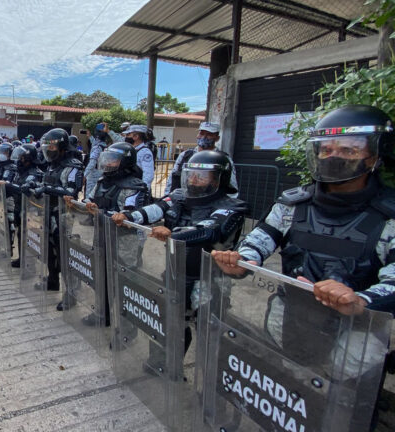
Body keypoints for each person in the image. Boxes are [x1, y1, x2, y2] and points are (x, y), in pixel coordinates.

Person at [213, 105, 395, 314]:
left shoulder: (389, 216)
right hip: (287, 318)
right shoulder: (292, 204)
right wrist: (241, 260)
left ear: (374, 156)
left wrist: (361, 300)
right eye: (327, 150)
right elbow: (258, 240)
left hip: (358, 333)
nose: (333, 157)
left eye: (348, 150)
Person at [112, 150, 247, 353]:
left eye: (201, 176)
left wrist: (173, 233)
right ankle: (164, 364)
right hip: (176, 272)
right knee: (169, 319)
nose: (194, 179)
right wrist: (128, 216)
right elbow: (156, 208)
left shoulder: (232, 207)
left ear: (219, 179)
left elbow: (209, 230)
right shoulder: (179, 196)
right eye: (191, 174)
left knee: (208, 329)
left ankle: (208, 379)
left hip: (209, 281)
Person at [64, 142, 151, 322]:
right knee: (100, 276)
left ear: (125, 162)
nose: (109, 163)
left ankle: (127, 328)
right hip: (101, 235)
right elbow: (90, 200)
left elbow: (130, 216)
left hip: (124, 242)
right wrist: (78, 204)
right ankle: (103, 314)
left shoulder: (135, 186)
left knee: (123, 283)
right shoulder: (103, 181)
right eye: (108, 159)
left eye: (113, 160)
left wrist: (104, 213)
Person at [23, 128, 84, 304]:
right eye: (47, 148)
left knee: (65, 255)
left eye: (52, 148)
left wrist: (47, 189)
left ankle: (70, 294)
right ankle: (52, 281)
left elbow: (71, 191)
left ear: (62, 148)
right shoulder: (52, 165)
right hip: (48, 214)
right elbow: (44, 182)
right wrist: (32, 184)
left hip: (64, 216)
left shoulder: (73, 166)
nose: (49, 151)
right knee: (48, 250)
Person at [164, 122, 238, 197]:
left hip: (211, 203)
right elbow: (172, 179)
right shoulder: (185, 155)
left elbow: (232, 187)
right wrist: (168, 197)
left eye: (209, 134)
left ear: (217, 138)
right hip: (184, 201)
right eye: (201, 133)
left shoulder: (223, 159)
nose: (204, 137)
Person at [5, 143, 45, 267]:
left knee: (30, 236)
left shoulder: (34, 173)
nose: (19, 161)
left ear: (29, 159)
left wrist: (8, 185)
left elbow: (23, 189)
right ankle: (22, 259)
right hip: (19, 206)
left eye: (22, 158)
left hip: (31, 211)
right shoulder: (21, 172)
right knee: (21, 234)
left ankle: (29, 261)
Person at [122, 125, 156, 191]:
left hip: (137, 188)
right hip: (128, 187)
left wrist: (143, 190)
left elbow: (148, 175)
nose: (126, 137)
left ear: (136, 136)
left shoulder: (144, 152)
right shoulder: (130, 150)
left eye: (128, 135)